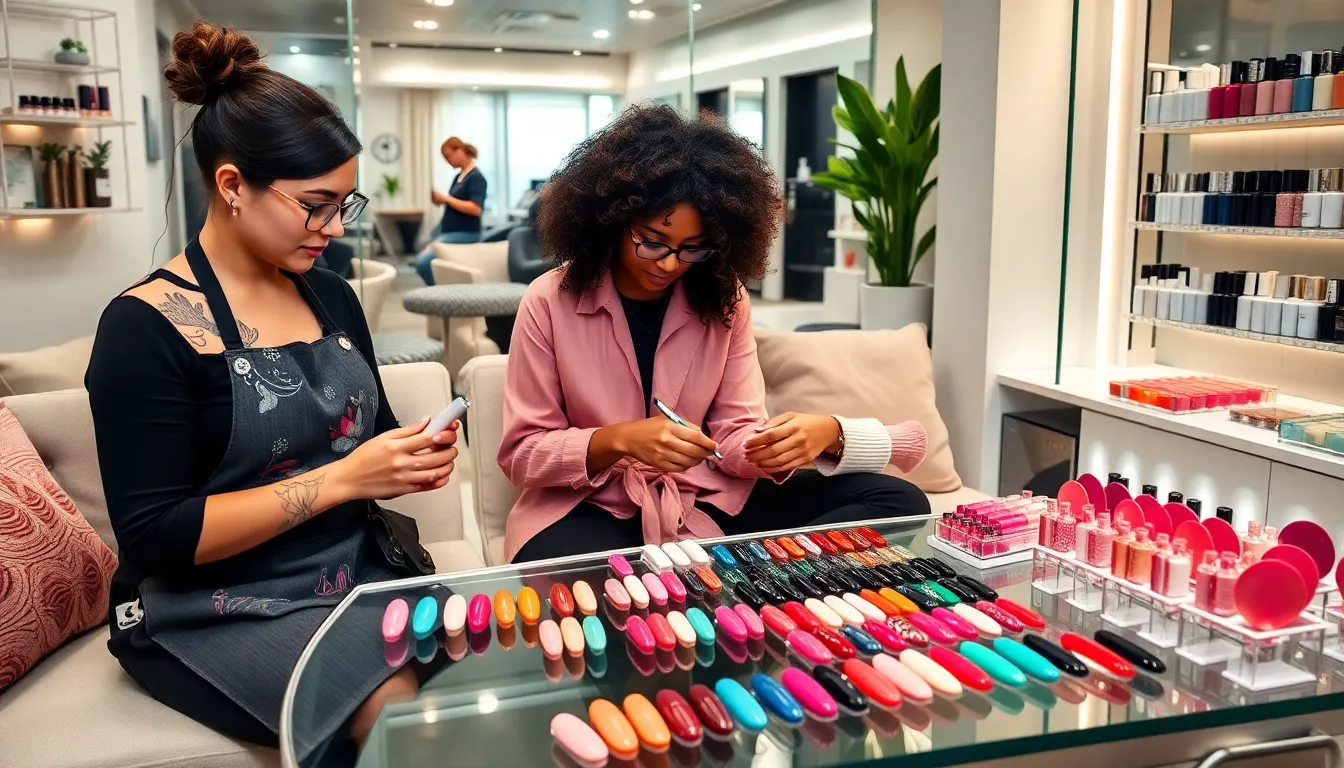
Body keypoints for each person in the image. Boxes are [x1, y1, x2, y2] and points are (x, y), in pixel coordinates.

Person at [85, 22, 458, 763]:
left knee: (492, 647)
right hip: (207, 606)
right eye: (316, 204)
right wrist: (344, 478)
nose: (333, 228)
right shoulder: (145, 328)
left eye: (344, 206)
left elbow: (369, 431)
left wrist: (408, 451)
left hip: (351, 569)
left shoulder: (332, 298)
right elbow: (156, 536)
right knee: (387, 703)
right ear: (231, 186)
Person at [499, 105, 931, 563]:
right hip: (591, 506)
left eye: (694, 248)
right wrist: (620, 440)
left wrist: (813, 439)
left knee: (899, 503)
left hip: (703, 497)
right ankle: (752, 577)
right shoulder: (549, 300)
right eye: (652, 240)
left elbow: (734, 438)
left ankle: (774, 581)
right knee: (578, 579)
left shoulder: (725, 299)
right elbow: (522, 455)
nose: (670, 263)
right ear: (610, 219)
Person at [415, 137, 488, 285]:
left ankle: (442, 293)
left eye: (448, 156)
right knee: (423, 248)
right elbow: (456, 203)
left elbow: (475, 209)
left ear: (459, 151)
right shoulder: (458, 177)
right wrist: (441, 200)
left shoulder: (476, 178)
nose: (447, 161)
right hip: (449, 231)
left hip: (466, 233)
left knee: (423, 263)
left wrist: (447, 199)